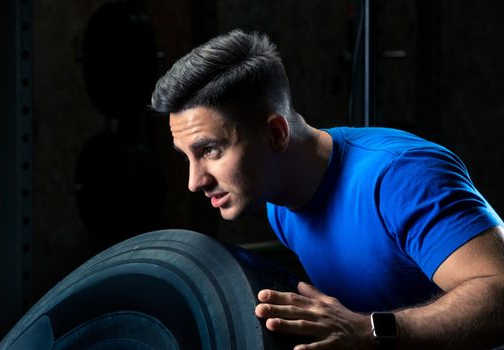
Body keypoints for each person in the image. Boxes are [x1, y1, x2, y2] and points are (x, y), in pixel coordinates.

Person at [151, 29, 504, 349]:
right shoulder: (279, 202)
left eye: (209, 150)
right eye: (187, 157)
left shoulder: (402, 176)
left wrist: (369, 331)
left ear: (276, 133)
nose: (195, 181)